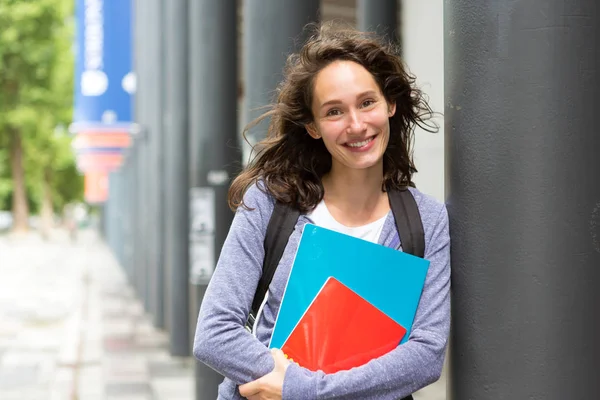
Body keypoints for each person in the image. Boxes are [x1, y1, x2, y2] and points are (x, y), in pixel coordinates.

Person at [194, 22, 450, 400]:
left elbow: (426, 354)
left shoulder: (426, 219)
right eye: (334, 112)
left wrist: (303, 389)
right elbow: (214, 334)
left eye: (367, 102)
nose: (356, 124)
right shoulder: (271, 203)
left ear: (390, 105)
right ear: (313, 127)